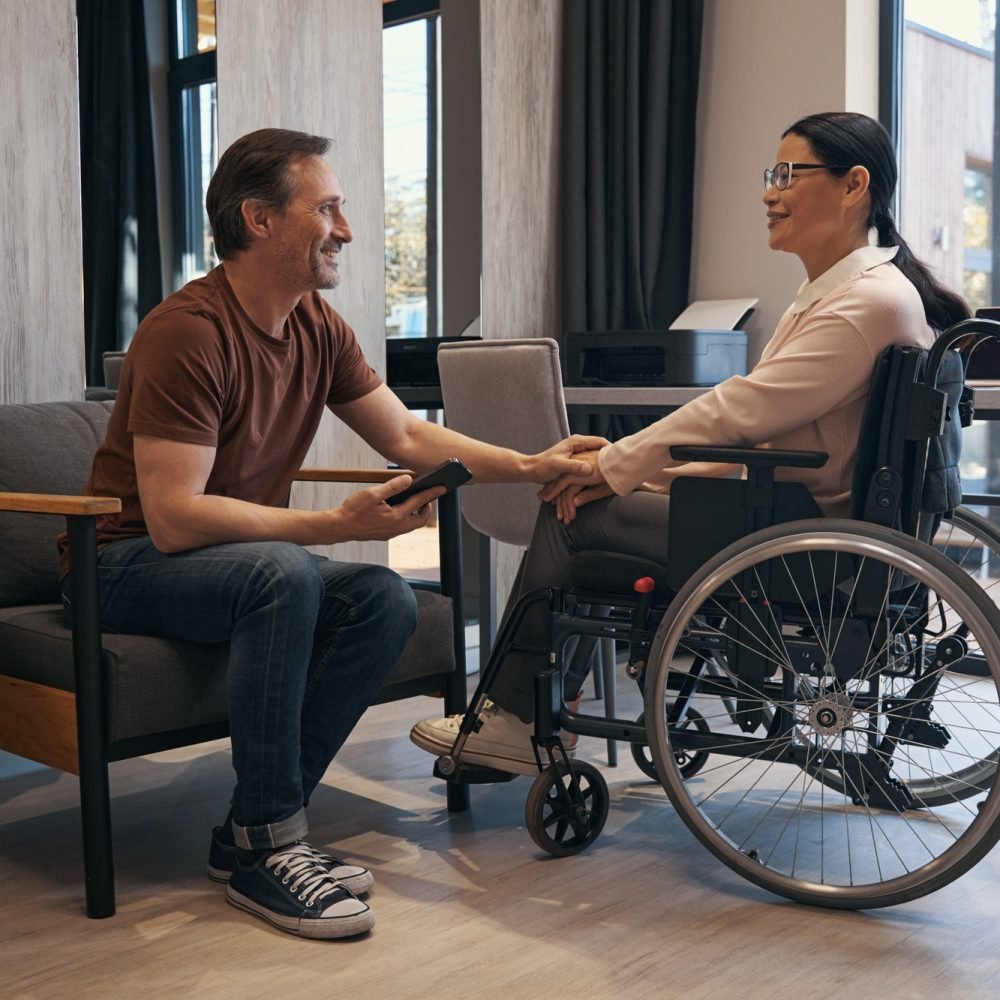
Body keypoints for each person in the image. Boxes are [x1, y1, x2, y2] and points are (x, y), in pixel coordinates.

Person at [62, 128, 604, 940]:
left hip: (228, 564)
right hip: (122, 562)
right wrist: (332, 524)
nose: (346, 230)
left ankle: (252, 831)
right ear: (259, 220)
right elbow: (173, 518)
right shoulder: (188, 332)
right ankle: (272, 846)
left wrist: (533, 465)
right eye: (329, 208)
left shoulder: (317, 325)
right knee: (283, 573)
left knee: (384, 599)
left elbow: (412, 439)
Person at [411, 110, 970, 774]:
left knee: (576, 512)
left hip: (801, 537)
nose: (770, 191)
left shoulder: (866, 303)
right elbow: (765, 436)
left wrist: (618, 466)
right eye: (772, 173)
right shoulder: (846, 295)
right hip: (794, 515)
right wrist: (633, 474)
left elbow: (742, 412)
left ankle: (521, 718)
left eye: (790, 173)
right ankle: (538, 714)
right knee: (590, 495)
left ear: (855, 186)